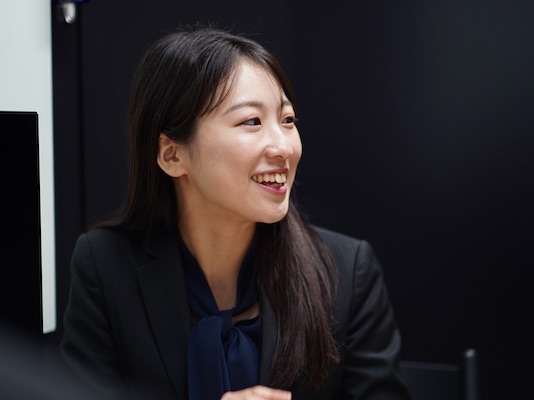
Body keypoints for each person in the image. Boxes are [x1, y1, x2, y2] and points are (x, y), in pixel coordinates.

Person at [60, 25, 411, 400]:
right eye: (252, 122)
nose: (282, 147)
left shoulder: (347, 271)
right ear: (172, 155)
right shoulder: (105, 266)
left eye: (287, 120)